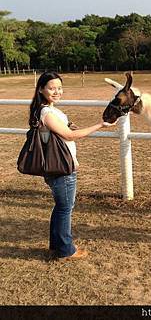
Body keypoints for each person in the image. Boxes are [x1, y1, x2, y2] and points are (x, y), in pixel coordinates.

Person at [29, 71, 112, 260]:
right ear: (41, 90)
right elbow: (69, 136)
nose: (56, 91)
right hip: (61, 169)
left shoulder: (51, 110)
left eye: (59, 87)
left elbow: (66, 130)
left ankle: (56, 246)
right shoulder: (46, 112)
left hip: (62, 166)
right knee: (65, 208)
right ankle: (66, 250)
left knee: (61, 206)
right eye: (51, 88)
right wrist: (100, 125)